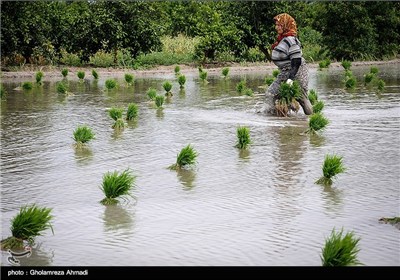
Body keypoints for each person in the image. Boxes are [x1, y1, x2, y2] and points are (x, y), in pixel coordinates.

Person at [266, 13, 313, 115]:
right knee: (271, 94)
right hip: (285, 71)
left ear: (286, 25)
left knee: (302, 98)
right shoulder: (283, 39)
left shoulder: (291, 40)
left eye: (279, 25)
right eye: (277, 25)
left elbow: (296, 62)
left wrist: (290, 80)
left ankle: (311, 120)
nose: (276, 27)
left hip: (297, 72)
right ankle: (272, 115)